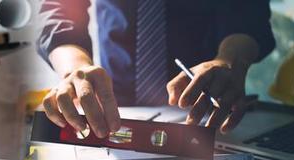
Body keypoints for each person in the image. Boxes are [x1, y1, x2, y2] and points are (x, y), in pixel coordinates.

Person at [38, 0, 275, 138]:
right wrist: (74, 69)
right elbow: (60, 9)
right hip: (113, 104)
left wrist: (228, 60)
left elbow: (247, 13)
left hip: (208, 108)